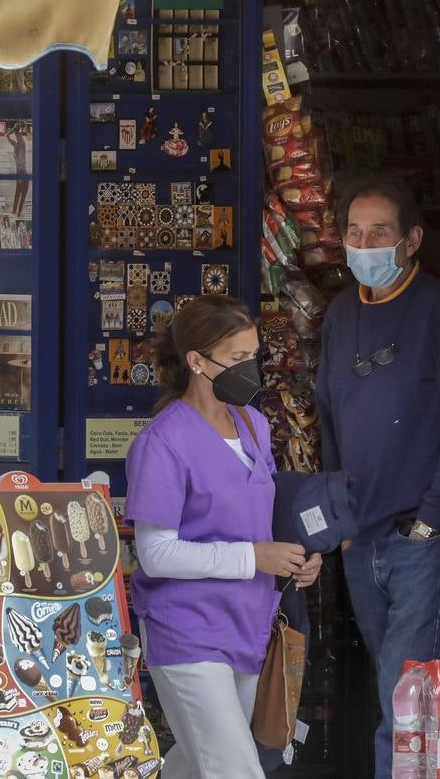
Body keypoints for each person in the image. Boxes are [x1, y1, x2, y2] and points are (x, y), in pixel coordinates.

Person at [315, 175, 440, 777]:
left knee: (409, 705)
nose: (365, 244)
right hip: (363, 541)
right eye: (354, 233)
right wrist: (341, 520)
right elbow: (327, 417)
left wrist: (434, 519)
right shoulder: (338, 314)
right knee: (398, 694)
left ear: (410, 240)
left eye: (378, 232)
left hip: (422, 539)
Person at [125, 295, 321, 779]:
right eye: (236, 359)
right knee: (235, 767)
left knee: (199, 762)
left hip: (248, 621)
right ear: (196, 361)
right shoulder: (162, 443)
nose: (249, 369)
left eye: (253, 357)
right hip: (186, 628)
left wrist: (297, 559)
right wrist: (255, 558)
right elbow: (155, 553)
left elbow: (263, 519)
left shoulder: (253, 426)